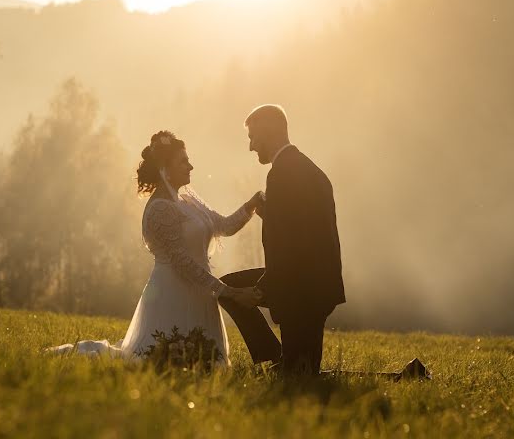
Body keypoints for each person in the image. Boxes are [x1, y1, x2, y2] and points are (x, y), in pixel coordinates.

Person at [48, 130, 262, 365]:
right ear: (165, 168)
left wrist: (251, 205)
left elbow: (225, 226)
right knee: (160, 359)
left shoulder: (188, 201)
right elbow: (181, 262)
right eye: (183, 161)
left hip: (200, 291)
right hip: (173, 295)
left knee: (205, 361)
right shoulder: (160, 209)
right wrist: (227, 291)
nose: (190, 166)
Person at [219, 104, 345, 375]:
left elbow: (287, 246)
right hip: (318, 284)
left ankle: (276, 357)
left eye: (253, 138)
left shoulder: (281, 174)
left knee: (300, 373)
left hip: (299, 289)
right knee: (304, 368)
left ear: (268, 133)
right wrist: (269, 214)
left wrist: (261, 289)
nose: (251, 147)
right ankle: (277, 358)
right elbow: (301, 228)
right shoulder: (308, 169)